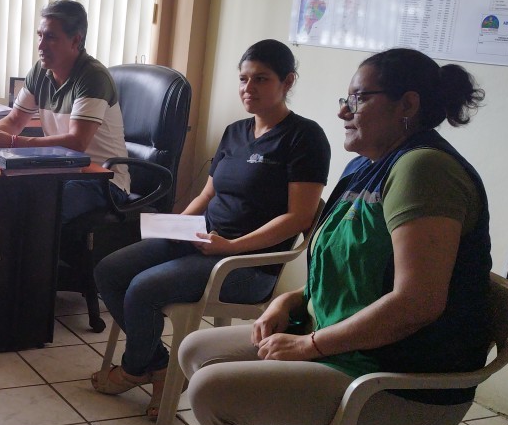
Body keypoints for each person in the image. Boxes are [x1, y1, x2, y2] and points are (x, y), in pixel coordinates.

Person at [186, 47, 489, 425]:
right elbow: (348, 272)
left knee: (211, 390)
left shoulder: (424, 171)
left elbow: (418, 302)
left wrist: (311, 346)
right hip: (347, 345)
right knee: (197, 350)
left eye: (359, 98)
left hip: (399, 376)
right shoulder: (365, 167)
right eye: (344, 98)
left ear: (407, 105)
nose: (344, 110)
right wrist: (291, 303)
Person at [91, 40, 330, 406]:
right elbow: (207, 195)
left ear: (287, 82)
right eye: (243, 79)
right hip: (200, 241)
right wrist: (176, 225)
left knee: (142, 289)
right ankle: (159, 365)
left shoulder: (304, 137)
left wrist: (231, 246)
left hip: (247, 264)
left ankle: (134, 369)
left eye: (261, 79)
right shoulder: (235, 131)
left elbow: (300, 217)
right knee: (108, 271)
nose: (248, 88)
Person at [0, 0, 131, 224]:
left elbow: (77, 142)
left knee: (38, 207)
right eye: (40, 36)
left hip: (103, 180)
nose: (41, 46)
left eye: (51, 37)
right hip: (60, 171)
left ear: (76, 40)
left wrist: (12, 142)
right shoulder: (40, 71)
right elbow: (15, 120)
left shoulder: (93, 77)